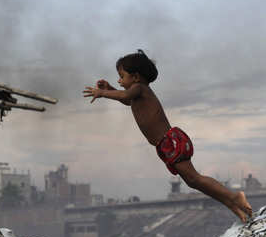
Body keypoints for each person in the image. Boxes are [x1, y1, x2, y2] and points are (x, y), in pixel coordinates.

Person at [83, 50, 253, 222]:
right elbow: (126, 100)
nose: (119, 81)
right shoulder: (136, 92)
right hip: (165, 145)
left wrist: (103, 93)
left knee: (195, 178)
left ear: (135, 77)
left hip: (171, 142)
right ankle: (234, 206)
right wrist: (110, 89)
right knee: (193, 181)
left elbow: (126, 95)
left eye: (121, 76)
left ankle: (235, 197)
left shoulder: (139, 88)